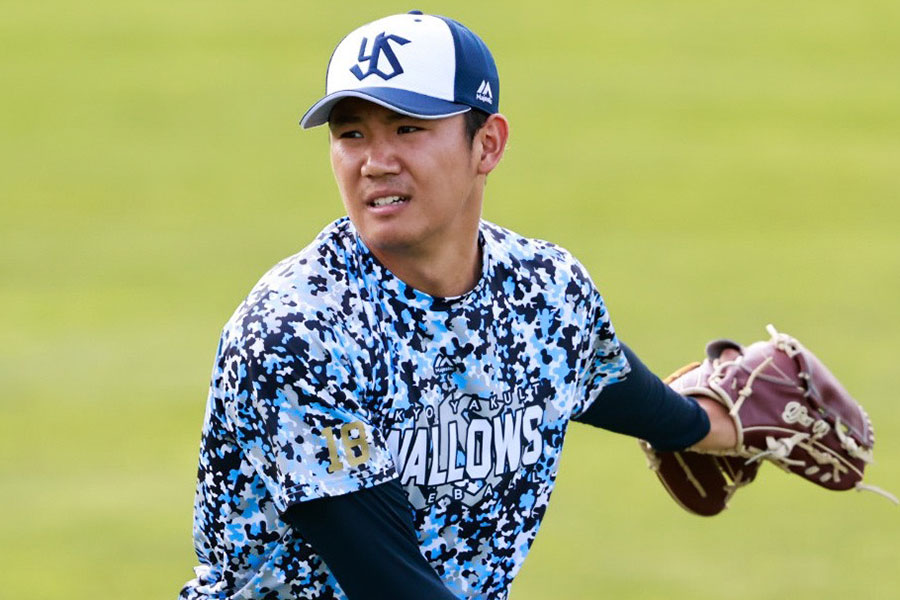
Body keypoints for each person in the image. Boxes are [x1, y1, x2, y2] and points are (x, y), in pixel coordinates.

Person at [180, 11, 737, 600]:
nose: (375, 161)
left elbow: (601, 379)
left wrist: (714, 425)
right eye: (351, 134)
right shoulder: (298, 335)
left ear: (487, 144)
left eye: (408, 128)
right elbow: (389, 581)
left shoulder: (544, 291)